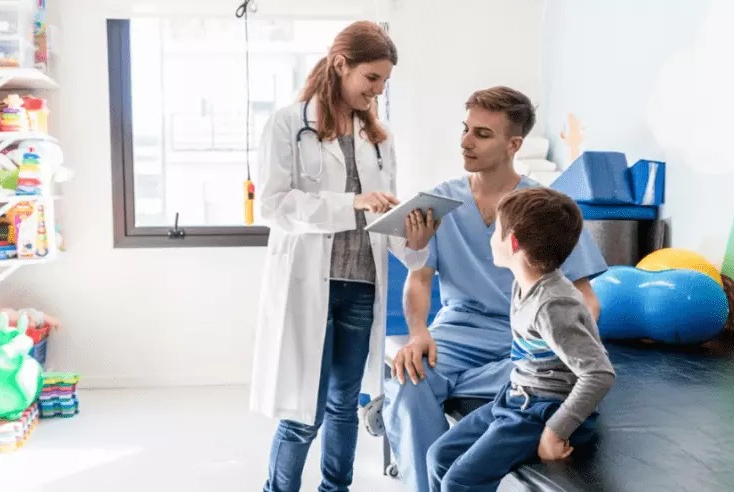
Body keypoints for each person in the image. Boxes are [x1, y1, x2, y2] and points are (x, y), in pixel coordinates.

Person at [380, 86, 608, 491]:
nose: (466, 141)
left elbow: (585, 297)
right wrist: (417, 334)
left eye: (482, 134)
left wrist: (567, 345)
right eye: (466, 129)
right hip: (458, 332)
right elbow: (420, 278)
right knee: (408, 378)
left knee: (534, 384)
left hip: (523, 340)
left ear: (513, 144)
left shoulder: (543, 208)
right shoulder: (439, 202)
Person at [249, 21, 439, 492]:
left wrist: (413, 238)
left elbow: (383, 218)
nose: (377, 91)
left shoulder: (380, 137)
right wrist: (350, 202)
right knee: (303, 411)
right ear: (341, 65)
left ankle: (336, 488)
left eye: (384, 83)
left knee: (344, 405)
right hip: (307, 283)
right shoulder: (288, 125)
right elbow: (273, 205)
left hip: (361, 287)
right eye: (371, 79)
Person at [426, 187, 616, 491]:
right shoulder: (523, 285)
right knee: (439, 456)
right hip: (516, 398)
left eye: (496, 231)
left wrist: (555, 431)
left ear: (513, 242)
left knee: (459, 482)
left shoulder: (554, 305)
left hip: (545, 410)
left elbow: (599, 374)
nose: (490, 238)